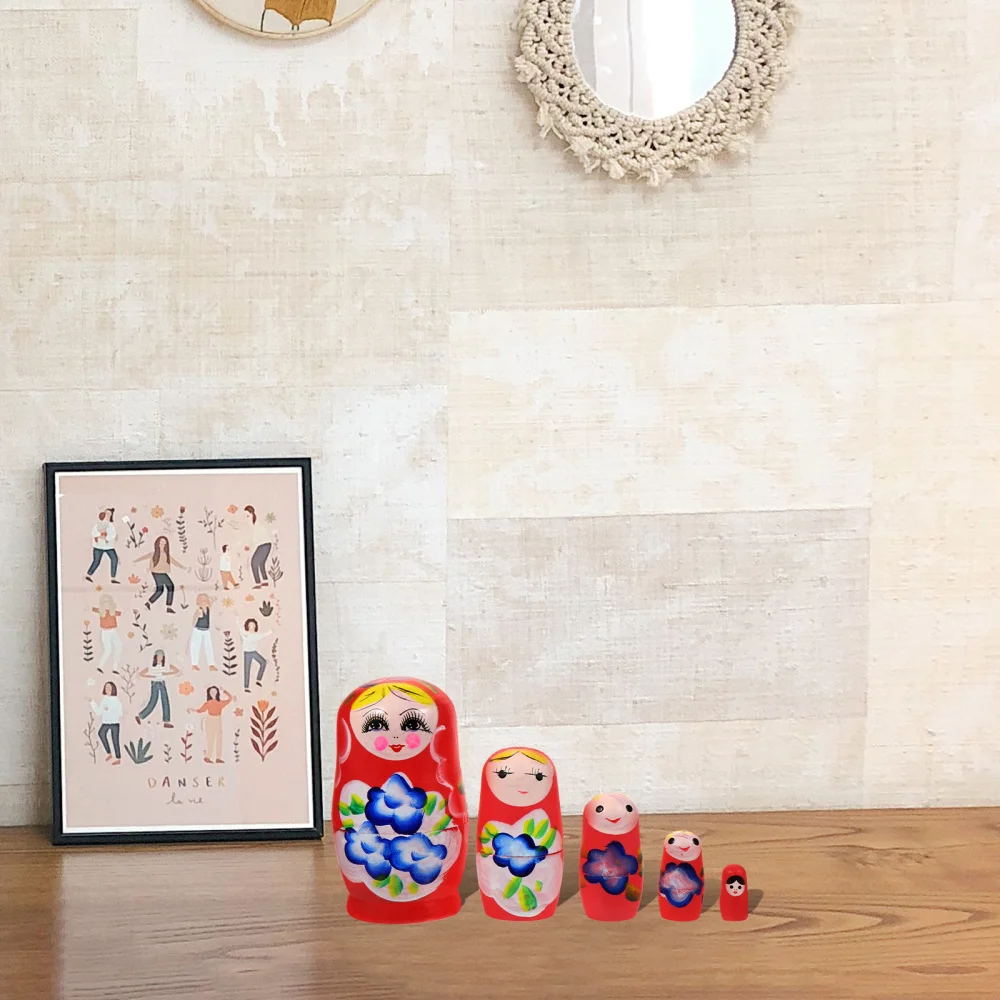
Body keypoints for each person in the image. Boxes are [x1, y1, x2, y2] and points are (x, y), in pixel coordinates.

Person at [135, 535, 187, 613]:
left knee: (160, 590)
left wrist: (183, 567)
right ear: (157, 544)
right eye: (161, 543)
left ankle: (149, 603)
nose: (162, 545)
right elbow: (144, 557)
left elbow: (174, 562)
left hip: (161, 573)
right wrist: (135, 561)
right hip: (157, 573)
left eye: (164, 544)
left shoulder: (166, 554)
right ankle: (168, 607)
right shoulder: (154, 553)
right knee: (170, 586)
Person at [188, 686, 233, 764]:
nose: (213, 693)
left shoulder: (220, 703)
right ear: (209, 693)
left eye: (215, 691)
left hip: (218, 720)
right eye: (211, 692)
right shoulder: (208, 703)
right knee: (210, 739)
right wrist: (192, 709)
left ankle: (218, 758)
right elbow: (200, 710)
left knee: (219, 738)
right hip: (210, 720)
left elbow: (230, 698)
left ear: (217, 692)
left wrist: (224, 691)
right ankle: (208, 757)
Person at [135, 649, 181, 728]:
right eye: (159, 656)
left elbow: (177, 670)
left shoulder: (166, 666)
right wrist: (151, 676)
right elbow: (140, 674)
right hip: (155, 684)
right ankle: (140, 716)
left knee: (165, 701)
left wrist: (166, 673)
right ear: (155, 657)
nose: (160, 658)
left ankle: (166, 721)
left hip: (162, 683)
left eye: (162, 657)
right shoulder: (151, 667)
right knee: (153, 702)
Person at [90, 681, 124, 764]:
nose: (107, 690)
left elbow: (120, 713)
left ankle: (118, 758)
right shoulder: (104, 700)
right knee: (101, 734)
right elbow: (98, 712)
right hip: (105, 722)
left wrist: (110, 710)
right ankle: (109, 753)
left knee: (115, 740)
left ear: (113, 689)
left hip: (115, 723)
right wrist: (92, 702)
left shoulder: (116, 700)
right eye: (106, 688)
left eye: (109, 688)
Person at [85, 508, 119, 584]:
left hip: (109, 547)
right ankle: (88, 575)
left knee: (114, 559)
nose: (107, 515)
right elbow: (94, 533)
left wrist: (106, 537)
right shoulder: (98, 524)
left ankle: (113, 578)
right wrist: (100, 535)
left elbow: (112, 535)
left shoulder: (111, 526)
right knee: (96, 561)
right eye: (106, 513)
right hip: (98, 546)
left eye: (109, 514)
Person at [91, 594, 122, 673]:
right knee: (108, 650)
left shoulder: (113, 612)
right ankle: (100, 667)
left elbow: (122, 613)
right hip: (105, 632)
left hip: (113, 631)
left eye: (108, 602)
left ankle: (115, 668)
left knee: (119, 646)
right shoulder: (101, 611)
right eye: (104, 602)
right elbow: (92, 608)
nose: (106, 604)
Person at [240, 617, 273, 691]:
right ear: (248, 626)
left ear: (255, 626)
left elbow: (264, 635)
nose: (252, 627)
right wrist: (237, 617)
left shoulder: (256, 635)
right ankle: (246, 687)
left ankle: (258, 679)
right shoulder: (245, 633)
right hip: (247, 653)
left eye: (253, 625)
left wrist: (271, 631)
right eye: (250, 625)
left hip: (253, 652)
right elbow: (239, 627)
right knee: (247, 669)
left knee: (263, 662)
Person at [243, 506, 272, 589]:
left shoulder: (256, 525)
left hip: (264, 544)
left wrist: (249, 546)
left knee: (254, 563)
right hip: (264, 544)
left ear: (252, 514)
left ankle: (258, 583)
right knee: (261, 563)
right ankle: (265, 581)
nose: (246, 518)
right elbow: (254, 538)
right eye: (245, 516)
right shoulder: (253, 525)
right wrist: (249, 546)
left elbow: (255, 538)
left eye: (247, 516)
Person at [189, 594, 216, 672]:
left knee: (209, 647)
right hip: (198, 630)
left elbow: (212, 601)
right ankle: (194, 664)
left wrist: (210, 598)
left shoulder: (208, 609)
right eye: (202, 601)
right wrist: (197, 617)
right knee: (195, 647)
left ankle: (211, 665)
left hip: (206, 630)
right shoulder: (198, 610)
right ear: (198, 602)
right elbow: (193, 623)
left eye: (205, 600)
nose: (204, 602)